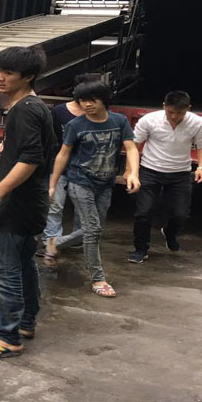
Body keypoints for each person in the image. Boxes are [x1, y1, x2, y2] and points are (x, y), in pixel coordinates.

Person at [0, 46, 56, 360]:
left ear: (28, 76)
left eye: (8, 72)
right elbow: (27, 148)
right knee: (24, 265)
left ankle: (7, 337)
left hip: (18, 203)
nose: (0, 77)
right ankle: (25, 323)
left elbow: (31, 159)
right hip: (31, 202)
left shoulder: (25, 110)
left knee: (3, 270)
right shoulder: (33, 106)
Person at [46, 80, 141, 297]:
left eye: (92, 100)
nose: (87, 104)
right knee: (92, 231)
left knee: (95, 229)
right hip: (80, 182)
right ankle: (98, 279)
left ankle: (55, 243)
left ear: (104, 100)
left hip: (105, 183)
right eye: (82, 100)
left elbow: (131, 148)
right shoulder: (75, 125)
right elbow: (63, 154)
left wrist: (133, 173)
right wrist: (52, 184)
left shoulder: (119, 121)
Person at [127, 91, 202, 263]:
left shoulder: (197, 122)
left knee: (181, 214)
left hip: (180, 173)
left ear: (188, 108)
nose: (174, 116)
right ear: (164, 106)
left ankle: (169, 232)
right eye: (170, 112)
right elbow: (133, 145)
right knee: (143, 212)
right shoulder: (149, 120)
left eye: (179, 113)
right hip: (150, 170)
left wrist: (201, 167)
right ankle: (141, 249)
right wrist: (131, 171)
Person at [40, 75, 99, 261]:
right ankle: (50, 243)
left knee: (83, 208)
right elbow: (53, 139)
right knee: (55, 205)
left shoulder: (98, 113)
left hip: (86, 169)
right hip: (60, 165)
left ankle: (74, 240)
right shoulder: (60, 112)